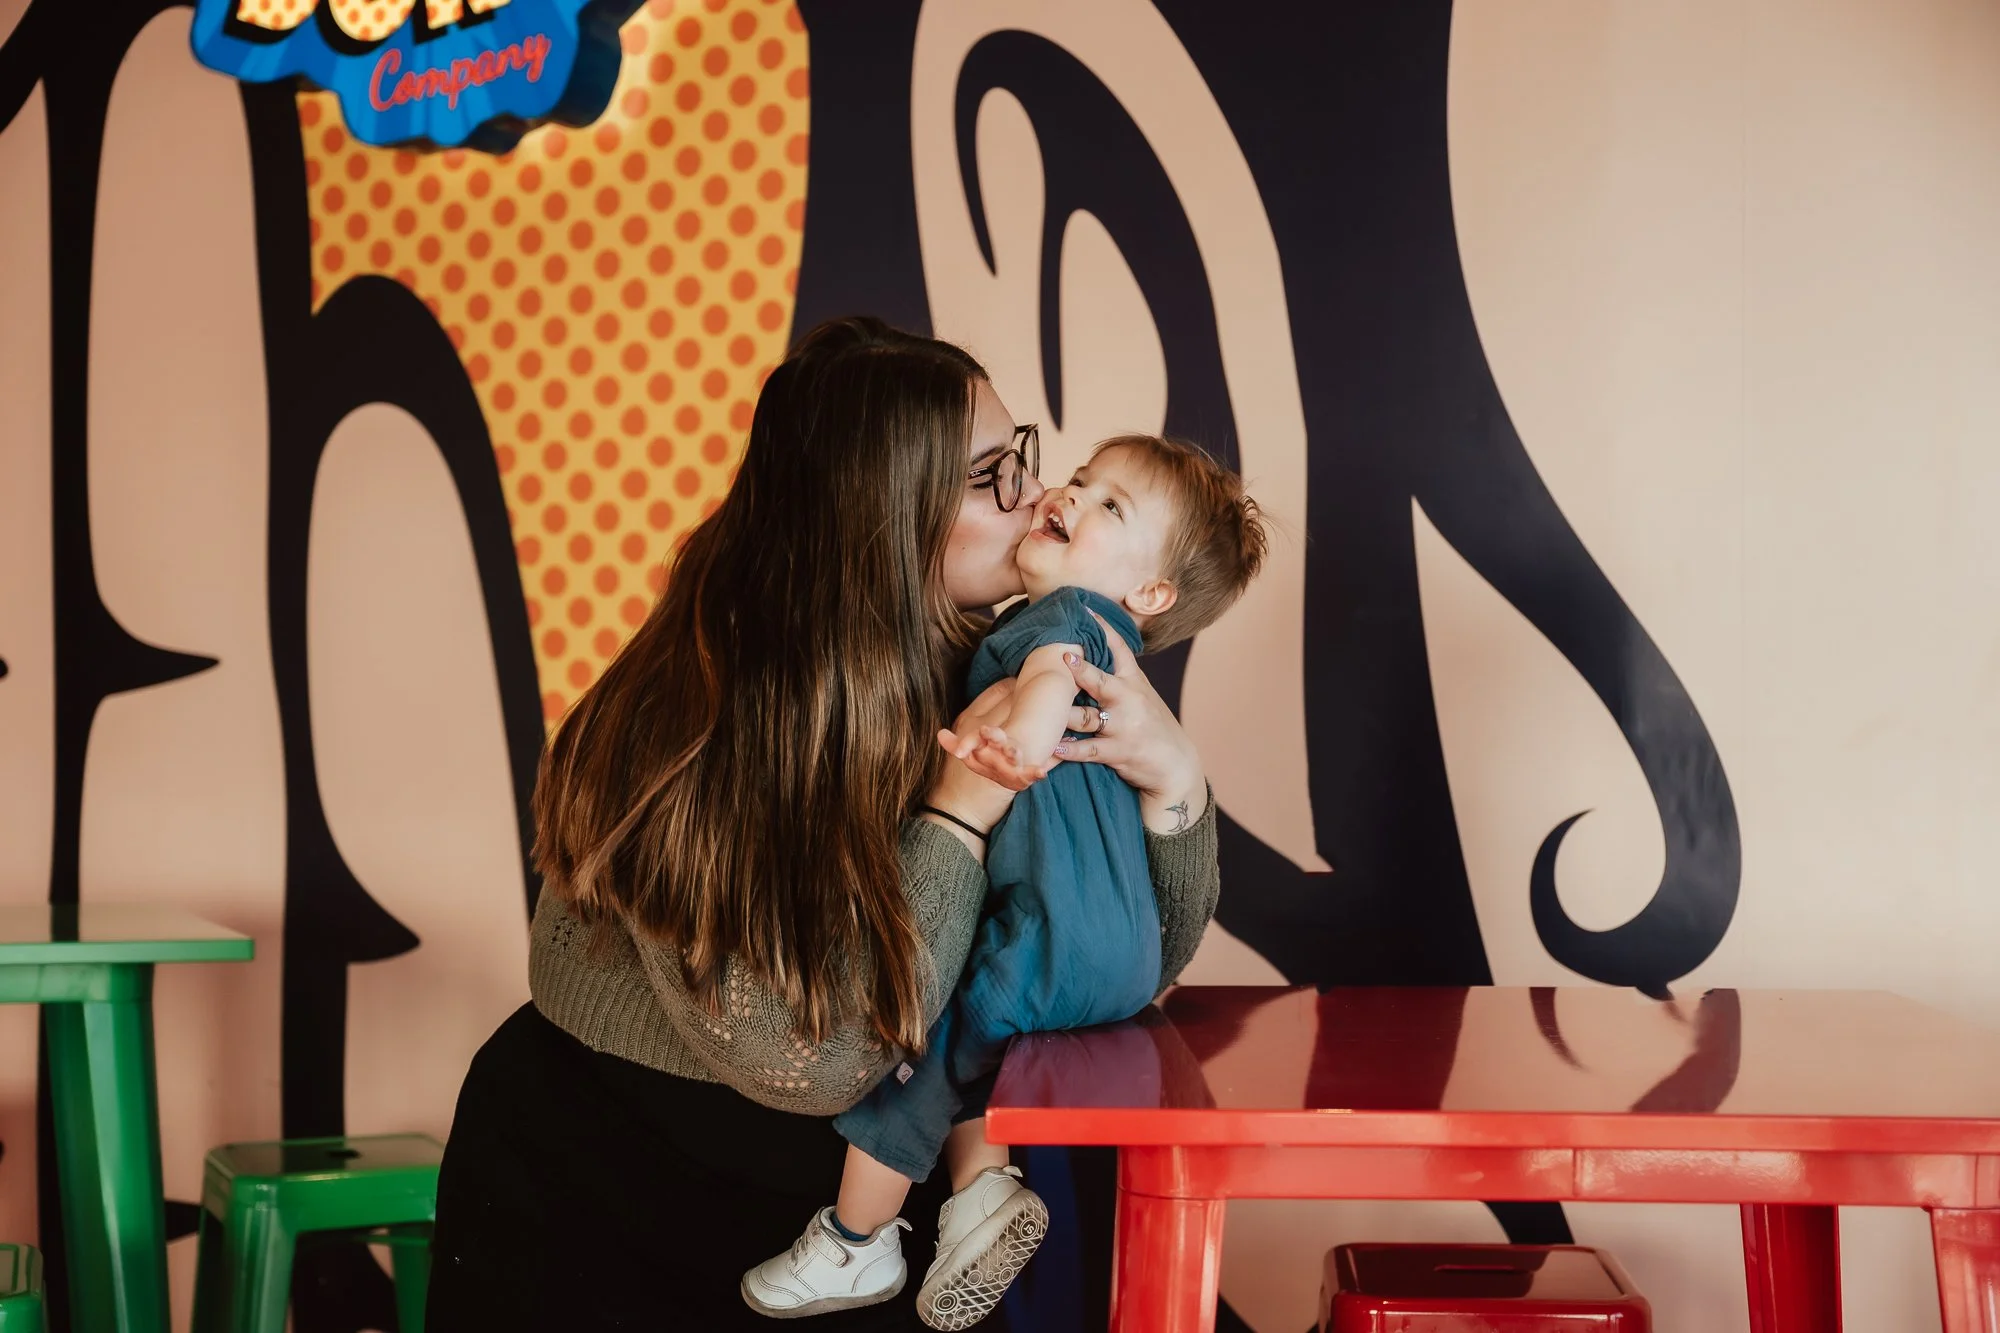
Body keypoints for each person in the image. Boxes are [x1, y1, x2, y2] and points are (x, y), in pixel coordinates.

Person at [425, 318, 1223, 1330]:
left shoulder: (1003, 663)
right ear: (882, 514)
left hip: (850, 1202)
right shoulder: (696, 716)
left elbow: (1121, 957)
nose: (1038, 494)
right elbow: (809, 1059)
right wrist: (960, 812)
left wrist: (1172, 782)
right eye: (991, 476)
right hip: (608, 1186)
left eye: (1019, 455)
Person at [742, 435, 1265, 1329]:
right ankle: (981, 1188)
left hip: (1053, 937)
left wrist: (1017, 743)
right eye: (1083, 479)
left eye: (1110, 505)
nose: (1070, 494)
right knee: (977, 1041)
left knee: (918, 1055)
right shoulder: (1119, 655)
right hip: (1126, 964)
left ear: (1150, 593)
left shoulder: (1063, 620)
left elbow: (1049, 680)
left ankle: (857, 1242)